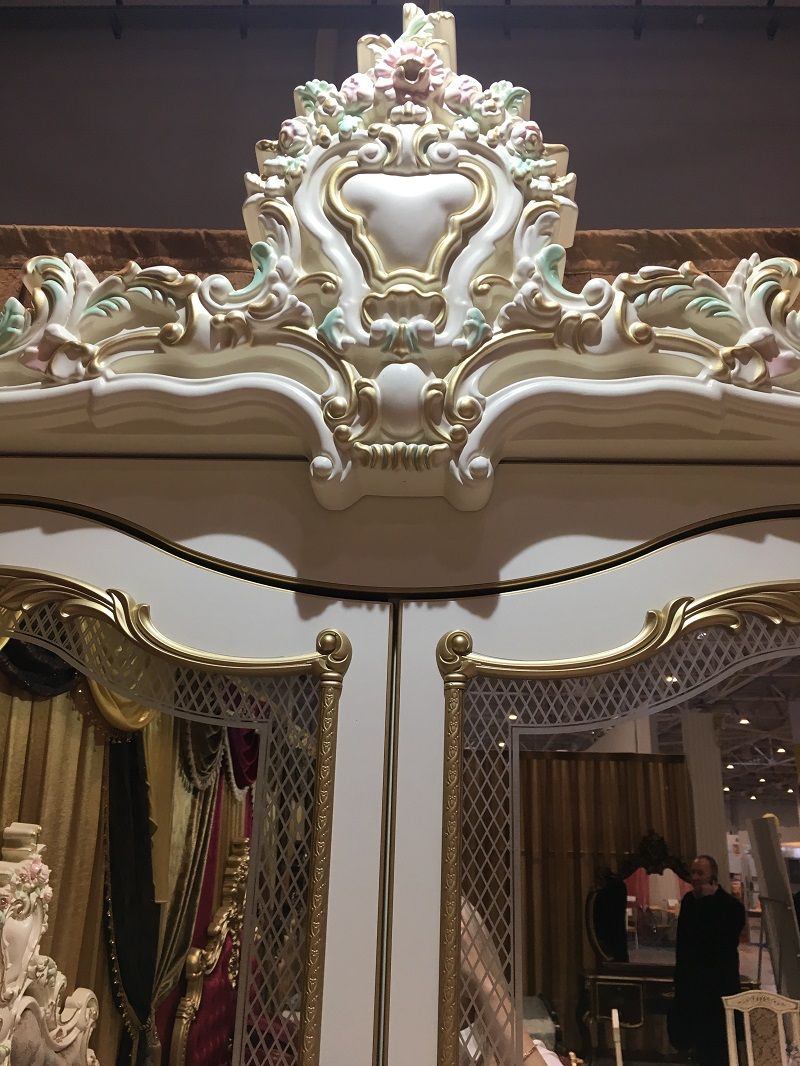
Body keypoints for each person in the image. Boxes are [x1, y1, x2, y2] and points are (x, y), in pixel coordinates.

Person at [669, 854, 745, 1066]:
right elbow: (683, 945)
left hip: (718, 988)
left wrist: (709, 903)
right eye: (693, 872)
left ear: (712, 876)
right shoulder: (689, 902)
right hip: (692, 987)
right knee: (694, 1045)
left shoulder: (730, 906)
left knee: (717, 1046)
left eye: (700, 873)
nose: (694, 877)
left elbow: (722, 942)